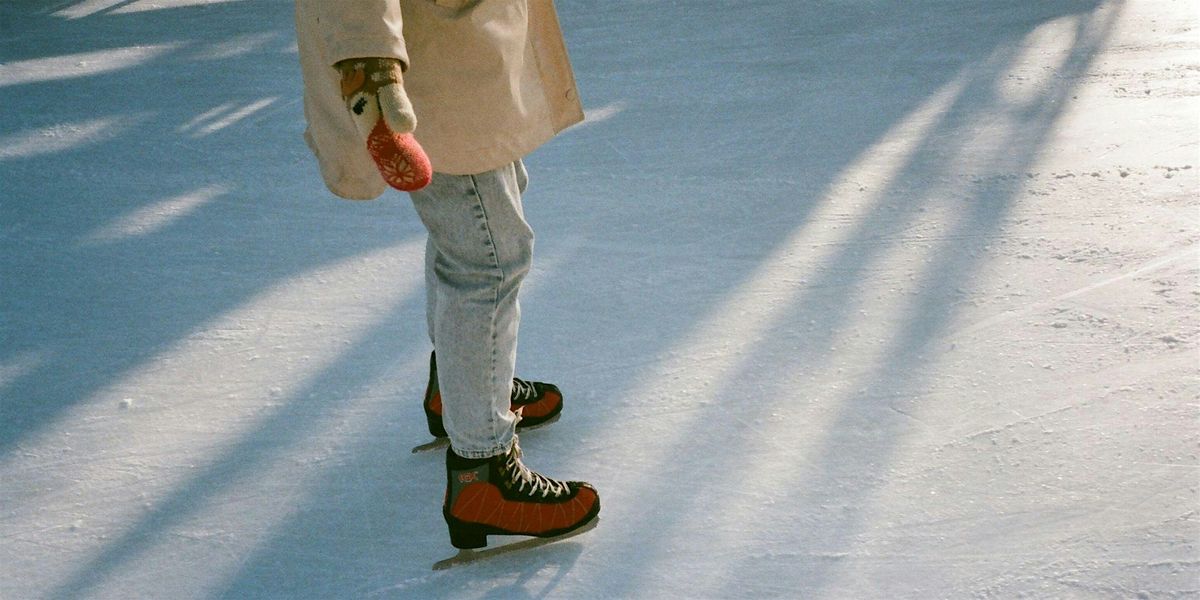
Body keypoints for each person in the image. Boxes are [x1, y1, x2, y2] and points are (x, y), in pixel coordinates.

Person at [293, 0, 600, 551]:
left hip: (462, 52)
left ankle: (460, 394)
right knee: (487, 256)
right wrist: (373, 72)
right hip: (428, 71)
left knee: (483, 221)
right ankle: (482, 473)